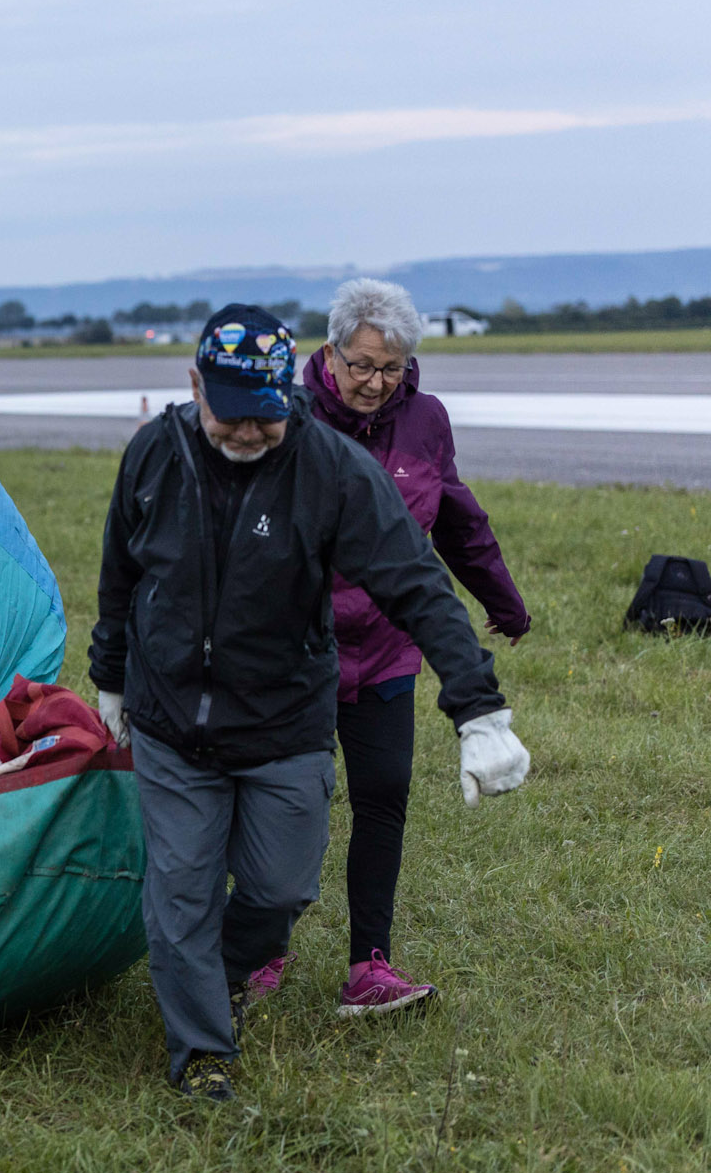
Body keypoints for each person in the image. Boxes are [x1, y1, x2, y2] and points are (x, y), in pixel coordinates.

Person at [88, 304, 529, 1102]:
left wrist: (479, 706)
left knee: (282, 887)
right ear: (195, 386)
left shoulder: (328, 468)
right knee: (180, 892)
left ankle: (220, 970)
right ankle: (202, 1053)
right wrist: (111, 677)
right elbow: (121, 572)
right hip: (170, 723)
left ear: (287, 393)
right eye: (231, 414)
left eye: (266, 416)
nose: (249, 433)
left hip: (284, 722)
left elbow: (416, 581)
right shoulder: (155, 453)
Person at [241, 280, 530, 1018]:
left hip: (387, 650)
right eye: (363, 365)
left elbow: (457, 516)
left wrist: (503, 601)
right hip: (296, 651)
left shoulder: (426, 420)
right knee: (288, 802)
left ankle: (369, 964)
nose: (375, 383)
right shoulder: (287, 418)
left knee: (383, 797)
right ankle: (259, 943)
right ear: (330, 353)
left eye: (391, 368)